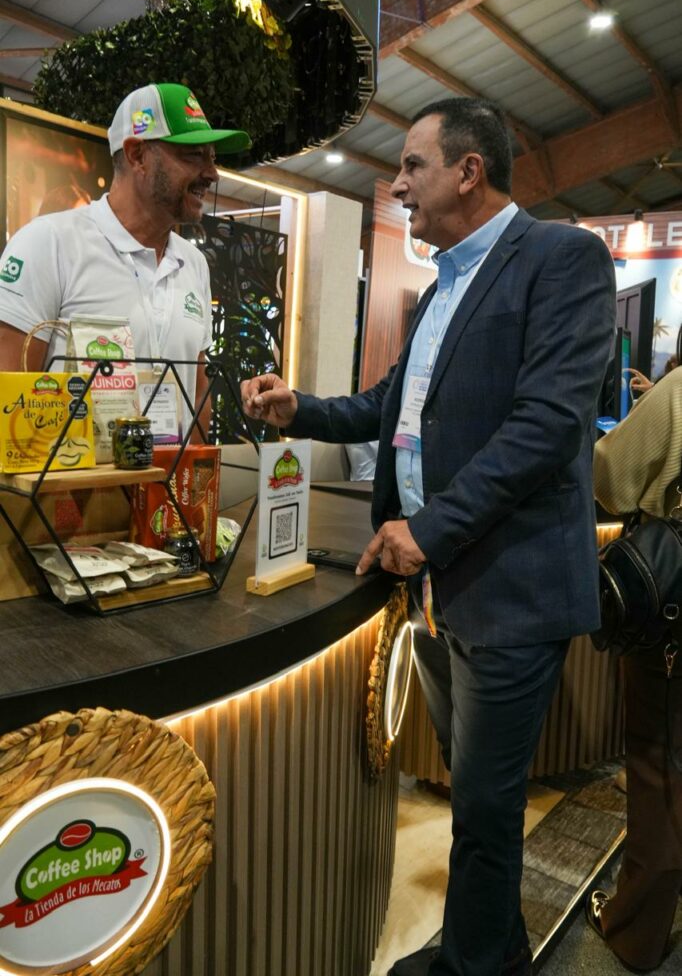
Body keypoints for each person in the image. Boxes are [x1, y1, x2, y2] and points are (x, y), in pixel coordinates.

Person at [242, 97, 616, 976]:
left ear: (468, 171)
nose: (399, 184)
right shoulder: (446, 284)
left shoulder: (562, 259)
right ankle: (491, 945)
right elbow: (391, 408)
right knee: (472, 792)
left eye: (413, 165)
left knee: (484, 806)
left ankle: (475, 964)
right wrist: (302, 408)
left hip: (512, 589)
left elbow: (546, 427)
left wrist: (430, 529)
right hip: (445, 589)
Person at [0, 82, 250, 436]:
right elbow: (8, 403)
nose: (212, 174)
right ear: (137, 155)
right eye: (194, 155)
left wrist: (192, 469)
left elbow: (197, 394)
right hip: (74, 473)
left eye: (212, 157)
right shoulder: (49, 243)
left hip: (170, 473)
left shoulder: (194, 263)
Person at [588, 366, 682, 972]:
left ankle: (635, 934)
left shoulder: (679, 392)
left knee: (658, 767)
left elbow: (609, 476)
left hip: (674, 620)